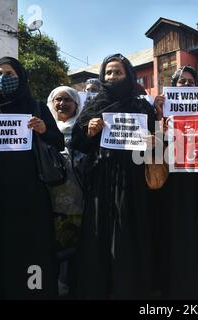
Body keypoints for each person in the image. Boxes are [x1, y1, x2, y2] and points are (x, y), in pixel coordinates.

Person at [0, 57, 64, 299]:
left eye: (10, 73)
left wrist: (43, 129)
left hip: (30, 188)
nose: (4, 77)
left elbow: (58, 142)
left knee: (30, 243)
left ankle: (32, 291)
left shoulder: (37, 107)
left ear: (20, 77)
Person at [72, 54, 156, 299]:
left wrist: (153, 140)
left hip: (134, 180)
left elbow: (159, 142)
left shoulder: (142, 106)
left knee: (131, 232)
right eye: (108, 73)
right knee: (101, 232)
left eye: (117, 72)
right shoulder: (93, 106)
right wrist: (89, 132)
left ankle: (130, 287)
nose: (112, 77)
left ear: (128, 75)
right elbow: (78, 143)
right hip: (103, 180)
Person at [150, 65, 198, 299]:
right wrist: (159, 120)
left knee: (193, 230)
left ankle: (196, 281)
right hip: (168, 180)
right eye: (181, 82)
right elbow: (153, 148)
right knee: (168, 230)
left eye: (190, 82)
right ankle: (168, 282)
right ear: (173, 86)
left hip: (194, 179)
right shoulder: (160, 111)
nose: (186, 86)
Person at [46, 86, 84, 297]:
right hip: (51, 195)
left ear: (76, 104)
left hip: (78, 194)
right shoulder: (43, 128)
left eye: (67, 100)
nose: (62, 104)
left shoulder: (82, 127)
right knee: (54, 241)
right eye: (57, 100)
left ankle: (73, 283)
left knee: (76, 241)